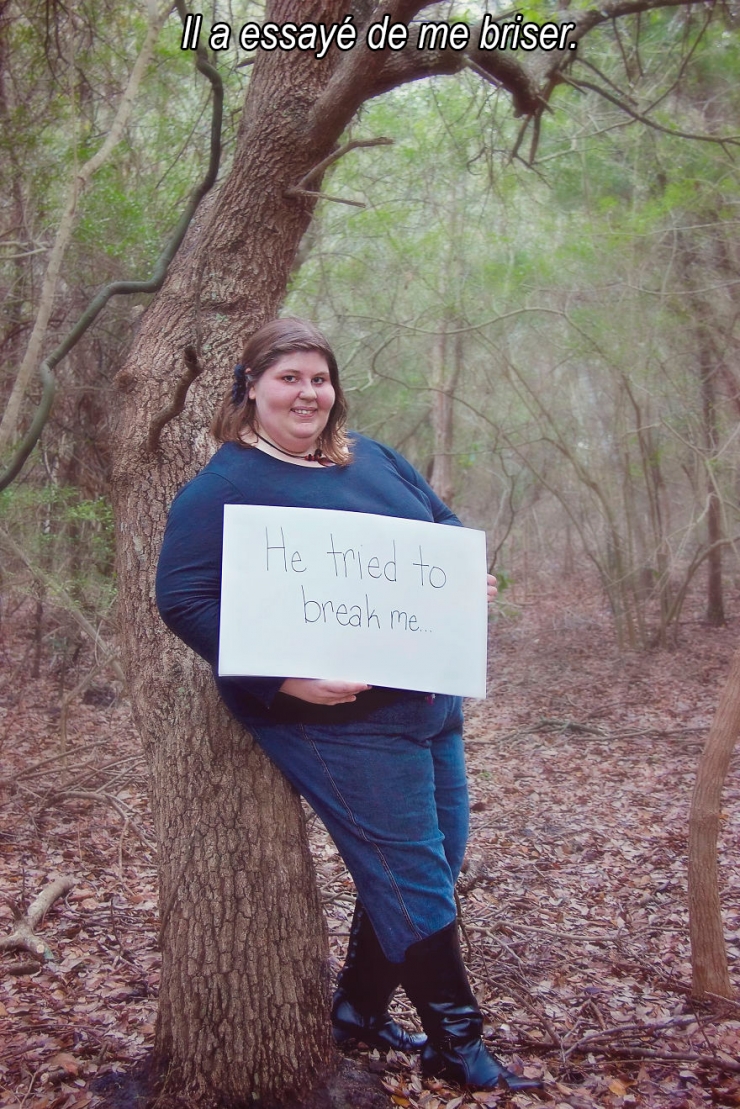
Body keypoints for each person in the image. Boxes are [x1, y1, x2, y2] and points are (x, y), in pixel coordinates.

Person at [155, 317, 540, 1093]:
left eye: (319, 378)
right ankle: (456, 1044)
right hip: (330, 719)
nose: (308, 392)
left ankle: (360, 1013)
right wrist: (282, 678)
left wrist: (468, 579)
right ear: (252, 387)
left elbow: (443, 530)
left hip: (427, 700)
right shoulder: (224, 487)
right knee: (413, 874)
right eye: (289, 377)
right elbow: (182, 599)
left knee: (436, 859)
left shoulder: (374, 459)